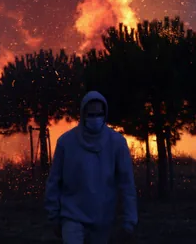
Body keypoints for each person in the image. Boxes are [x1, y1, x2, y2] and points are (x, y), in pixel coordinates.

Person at [44, 91, 138, 244]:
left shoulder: (117, 143)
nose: (95, 118)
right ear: (83, 114)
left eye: (99, 114)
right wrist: (53, 215)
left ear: (105, 114)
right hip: (72, 216)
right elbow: (54, 181)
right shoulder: (66, 143)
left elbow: (127, 185)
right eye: (91, 114)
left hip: (103, 220)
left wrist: (129, 221)